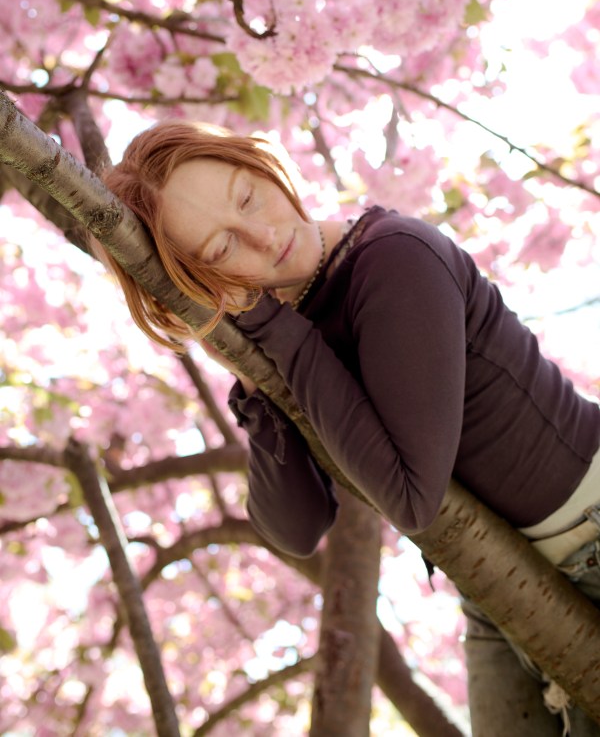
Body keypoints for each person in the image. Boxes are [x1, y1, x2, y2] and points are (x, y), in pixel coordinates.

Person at [101, 119, 600, 735]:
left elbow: (413, 499)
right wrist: (255, 382)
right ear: (202, 284)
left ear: (261, 166)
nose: (263, 236)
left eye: (248, 195)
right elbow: (298, 527)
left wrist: (276, 332)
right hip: (501, 585)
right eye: (221, 250)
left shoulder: (392, 257)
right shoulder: (292, 335)